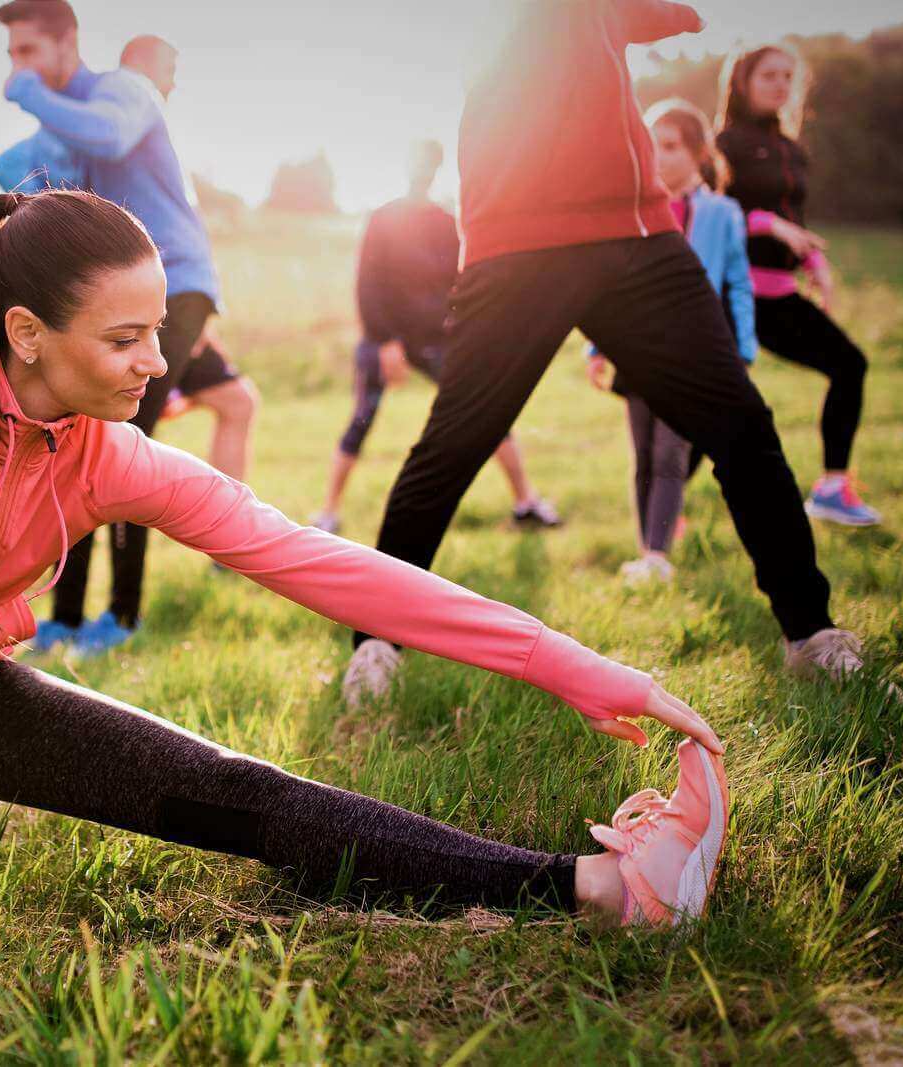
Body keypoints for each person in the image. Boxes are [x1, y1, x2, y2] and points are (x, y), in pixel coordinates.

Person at [0, 190, 729, 1031]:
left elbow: (318, 562)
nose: (155, 360)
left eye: (156, 328)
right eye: (125, 336)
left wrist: (585, 670)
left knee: (251, 797)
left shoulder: (107, 453)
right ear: (26, 334)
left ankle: (605, 889)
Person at [344, 0, 866, 709]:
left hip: (637, 236)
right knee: (454, 444)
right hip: (515, 241)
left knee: (740, 424)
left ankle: (810, 633)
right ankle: (376, 643)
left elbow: (670, 15)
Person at [0, 3, 260, 655]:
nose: (17, 70)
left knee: (116, 445)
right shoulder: (64, 127)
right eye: (11, 58)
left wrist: (31, 98)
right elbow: (7, 174)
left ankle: (122, 614)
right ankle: (62, 619)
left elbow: (110, 137)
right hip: (109, 303)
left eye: (28, 53)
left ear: (66, 45)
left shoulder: (124, 91)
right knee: (81, 438)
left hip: (176, 284)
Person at [311, 139, 562, 536]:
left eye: (430, 163)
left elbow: (459, 284)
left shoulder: (446, 223)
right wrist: (385, 341)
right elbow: (369, 285)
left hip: (435, 340)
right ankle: (328, 513)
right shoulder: (383, 219)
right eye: (416, 160)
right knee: (361, 420)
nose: (422, 169)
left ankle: (525, 502)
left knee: (484, 411)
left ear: (437, 168)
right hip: (384, 339)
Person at [588, 100, 756, 584]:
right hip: (637, 350)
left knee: (669, 455)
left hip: (693, 354)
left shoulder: (723, 213)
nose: (658, 158)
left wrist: (742, 350)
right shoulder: (634, 212)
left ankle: (658, 555)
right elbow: (609, 285)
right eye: (650, 147)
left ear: (700, 153)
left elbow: (739, 284)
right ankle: (648, 550)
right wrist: (596, 346)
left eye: (669, 147)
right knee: (643, 454)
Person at [716, 44, 881, 526]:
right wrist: (767, 224)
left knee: (850, 365)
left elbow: (795, 218)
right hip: (735, 295)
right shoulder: (725, 145)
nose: (781, 84)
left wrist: (815, 262)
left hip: (781, 293)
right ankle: (665, 520)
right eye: (769, 75)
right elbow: (708, 215)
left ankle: (832, 489)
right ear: (742, 82)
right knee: (716, 399)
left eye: (788, 76)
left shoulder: (791, 149)